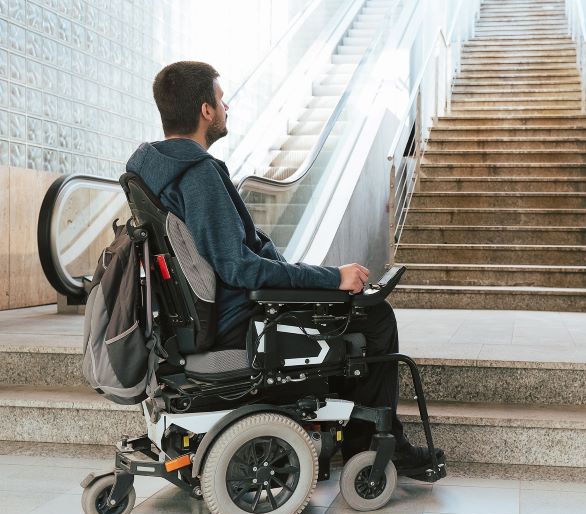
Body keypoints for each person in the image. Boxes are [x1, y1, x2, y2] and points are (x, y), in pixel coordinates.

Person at [126, 60, 432, 469]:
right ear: (205, 111)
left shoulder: (151, 171)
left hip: (200, 319)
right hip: (239, 319)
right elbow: (241, 270)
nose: (226, 107)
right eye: (221, 99)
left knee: (344, 309)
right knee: (374, 317)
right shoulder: (198, 175)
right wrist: (333, 278)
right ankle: (373, 449)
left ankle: (349, 434)